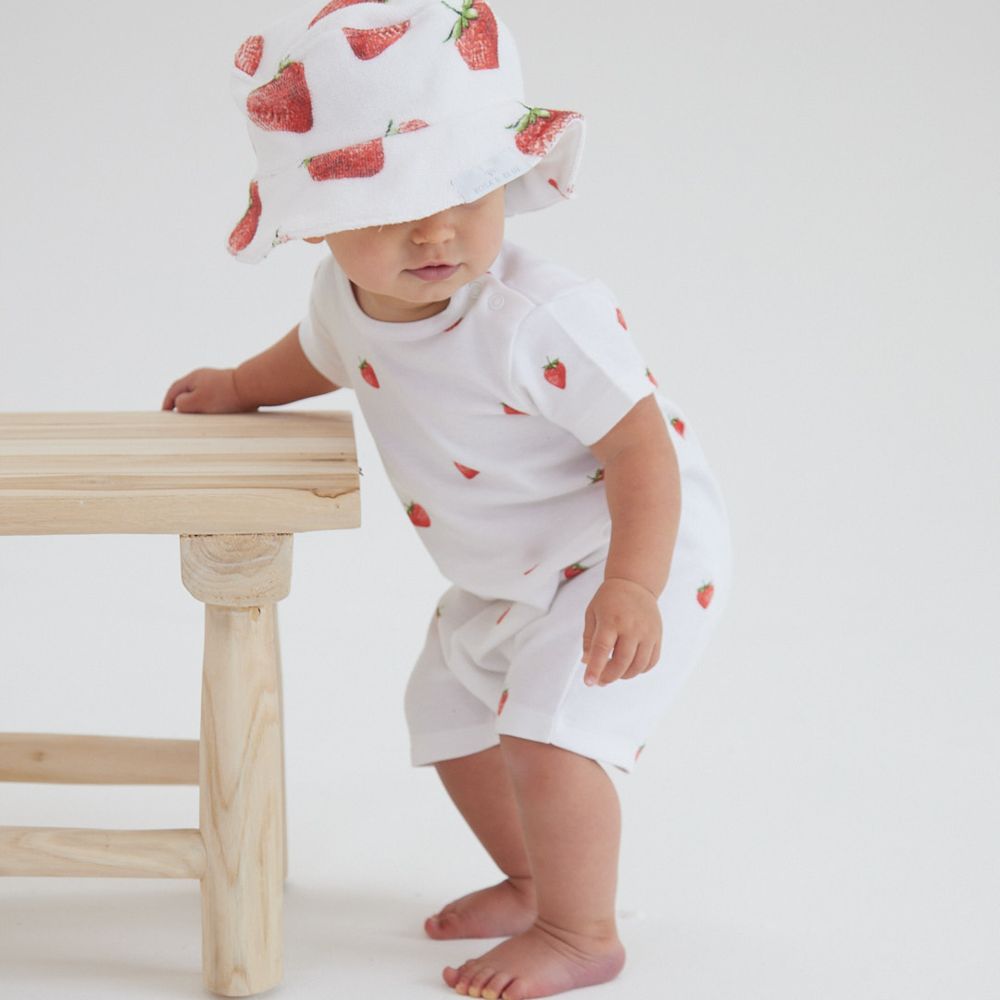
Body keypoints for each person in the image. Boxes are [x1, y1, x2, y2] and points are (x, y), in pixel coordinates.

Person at [162, 2, 734, 997]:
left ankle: (579, 927)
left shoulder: (537, 318)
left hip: (622, 551)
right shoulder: (346, 302)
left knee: (545, 732)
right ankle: (529, 877)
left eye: (467, 195)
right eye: (387, 211)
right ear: (316, 224)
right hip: (505, 569)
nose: (434, 231)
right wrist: (238, 388)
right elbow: (318, 353)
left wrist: (634, 585)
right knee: (447, 710)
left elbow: (643, 450)